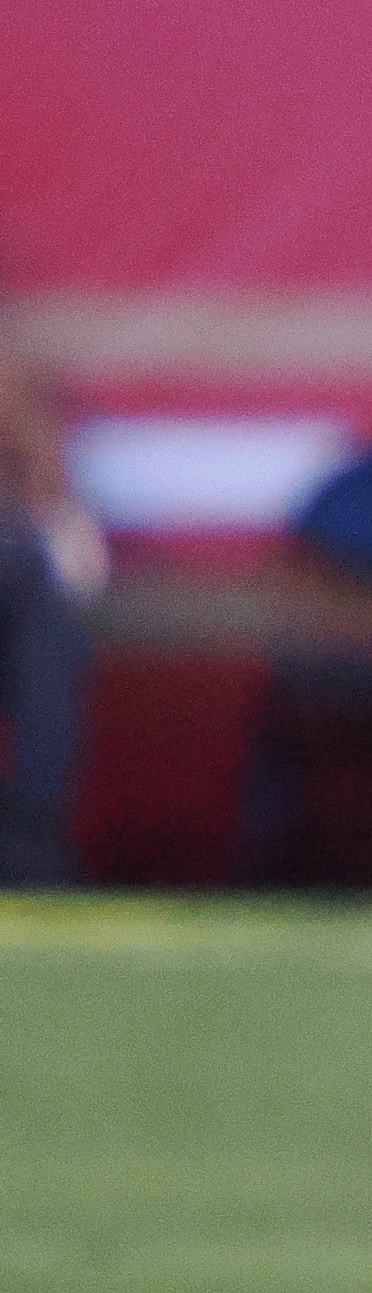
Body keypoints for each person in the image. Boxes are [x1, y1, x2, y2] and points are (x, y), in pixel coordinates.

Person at [0, 329, 100, 886]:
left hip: (21, 626)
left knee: (40, 603)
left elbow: (84, 578)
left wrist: (42, 476)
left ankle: (31, 836)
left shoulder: (42, 501)